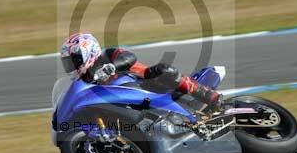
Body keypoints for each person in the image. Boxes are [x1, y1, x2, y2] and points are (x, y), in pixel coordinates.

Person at [60, 33, 222, 109]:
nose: (71, 65)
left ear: (88, 52)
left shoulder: (107, 55)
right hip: (124, 104)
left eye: (74, 60)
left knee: (164, 70)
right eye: (68, 62)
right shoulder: (83, 80)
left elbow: (129, 57)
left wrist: (113, 66)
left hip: (145, 86)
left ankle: (207, 95)